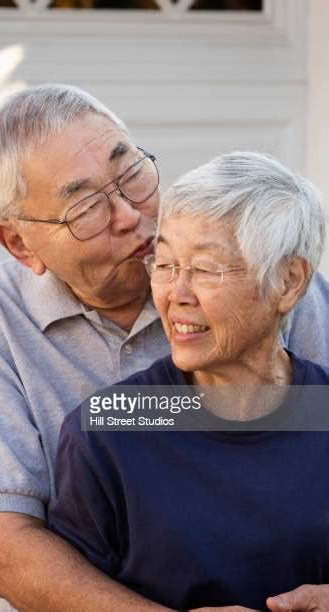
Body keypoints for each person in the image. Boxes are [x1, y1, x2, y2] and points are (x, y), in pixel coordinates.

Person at [0, 85, 329, 611]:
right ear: (21, 244)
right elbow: (6, 553)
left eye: (132, 175)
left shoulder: (264, 282)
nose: (130, 215)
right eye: (87, 207)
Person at [49, 152, 329, 611]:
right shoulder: (108, 430)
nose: (176, 294)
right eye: (164, 265)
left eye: (204, 269)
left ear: (288, 282)